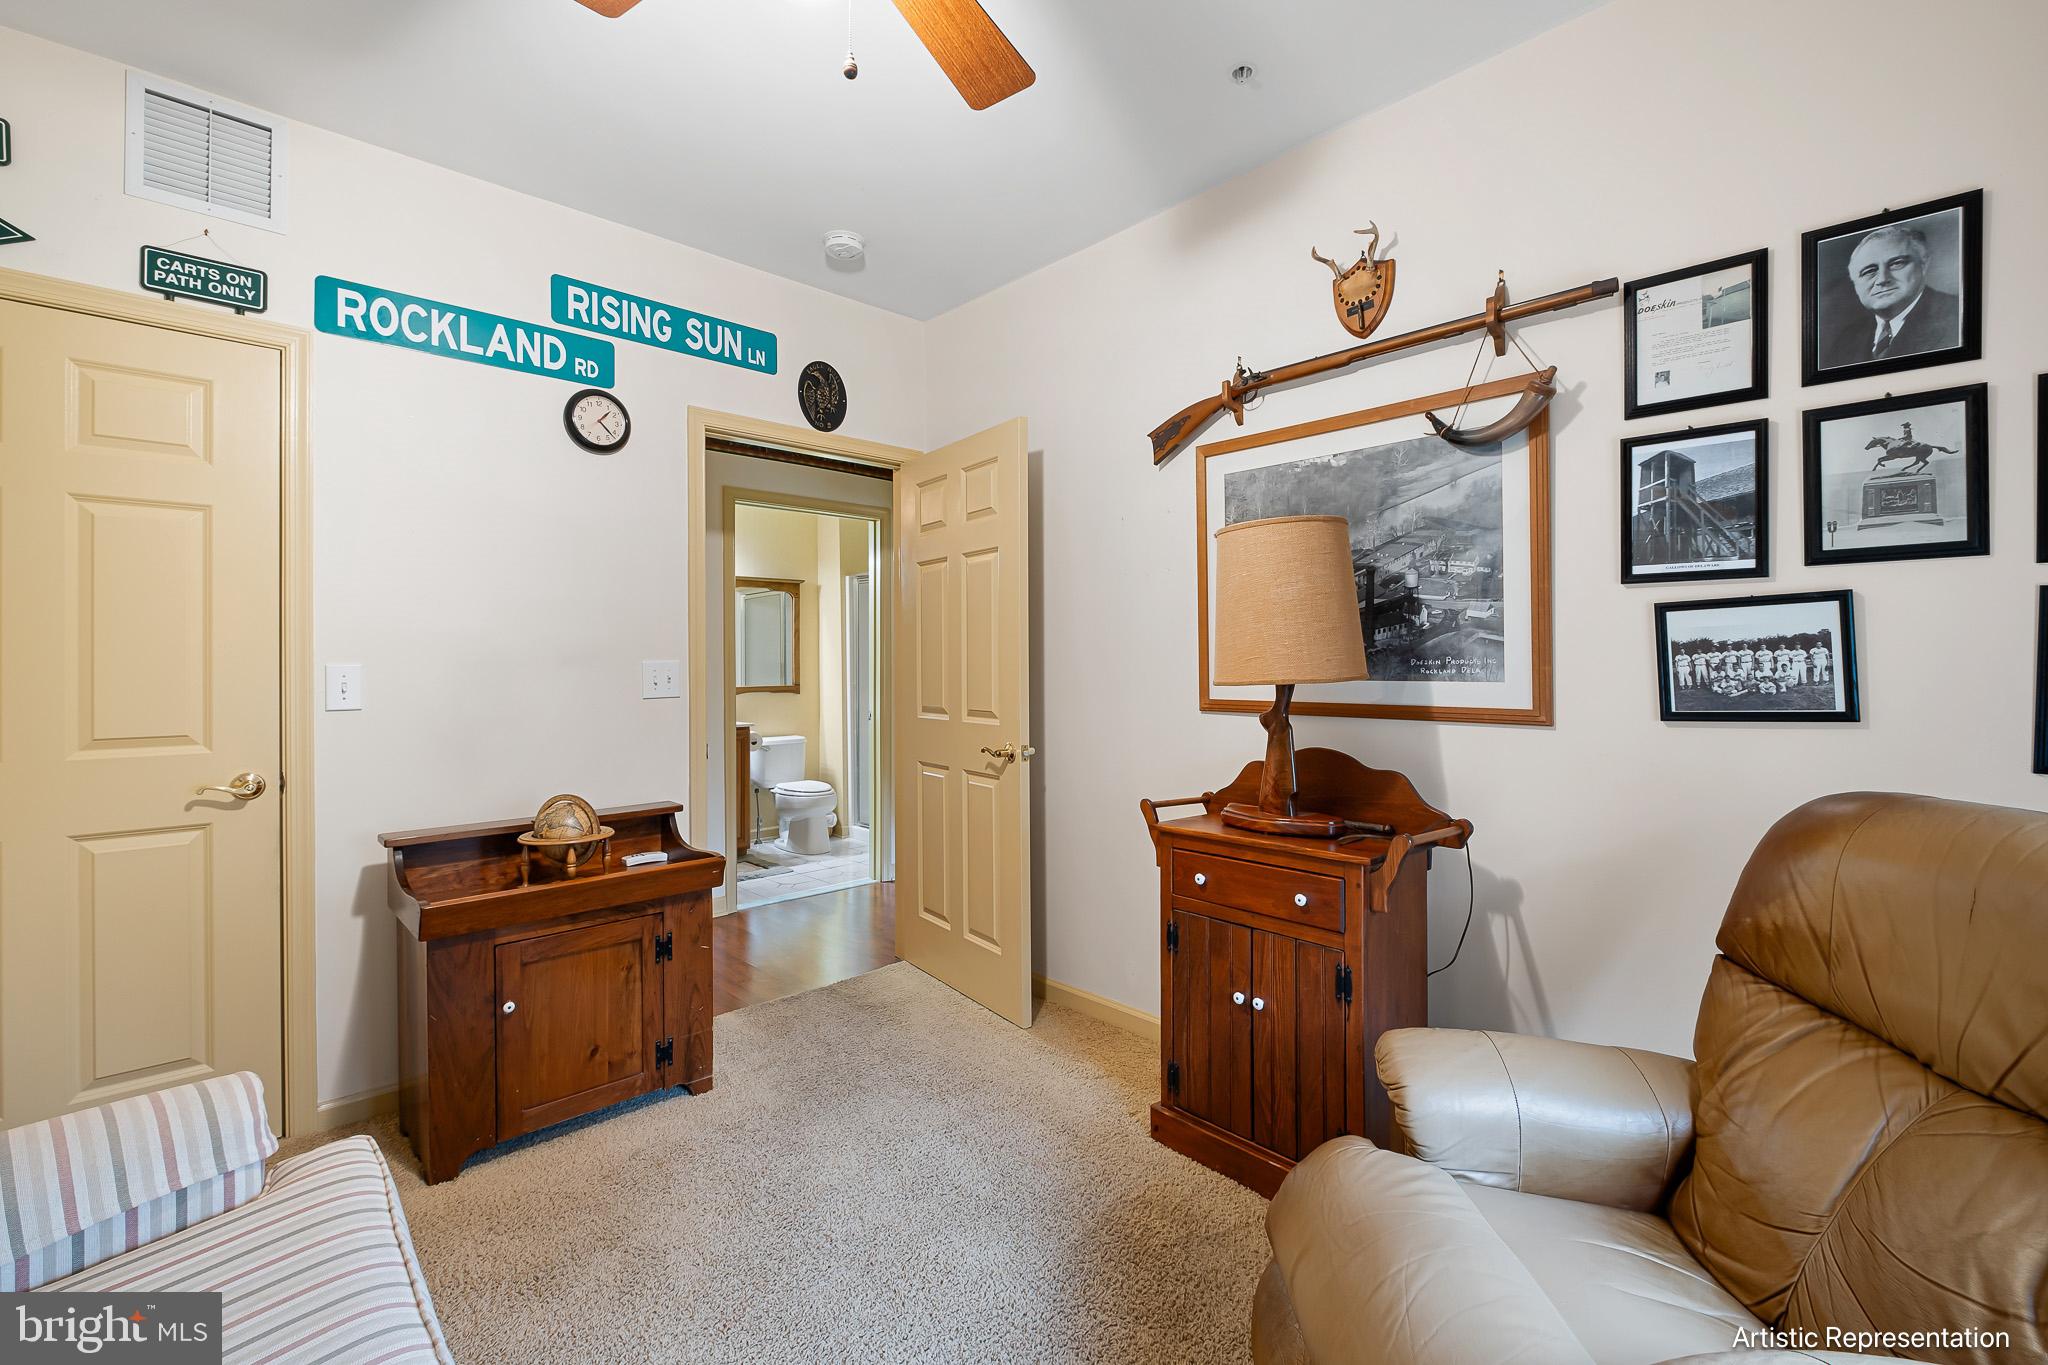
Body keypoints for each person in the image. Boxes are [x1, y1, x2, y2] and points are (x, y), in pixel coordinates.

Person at [1820, 222, 1961, 369]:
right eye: (1869, 271)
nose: (1882, 279)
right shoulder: (1846, 341)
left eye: (1896, 264)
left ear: (1923, 264)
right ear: (1855, 283)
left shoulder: (1958, 315)